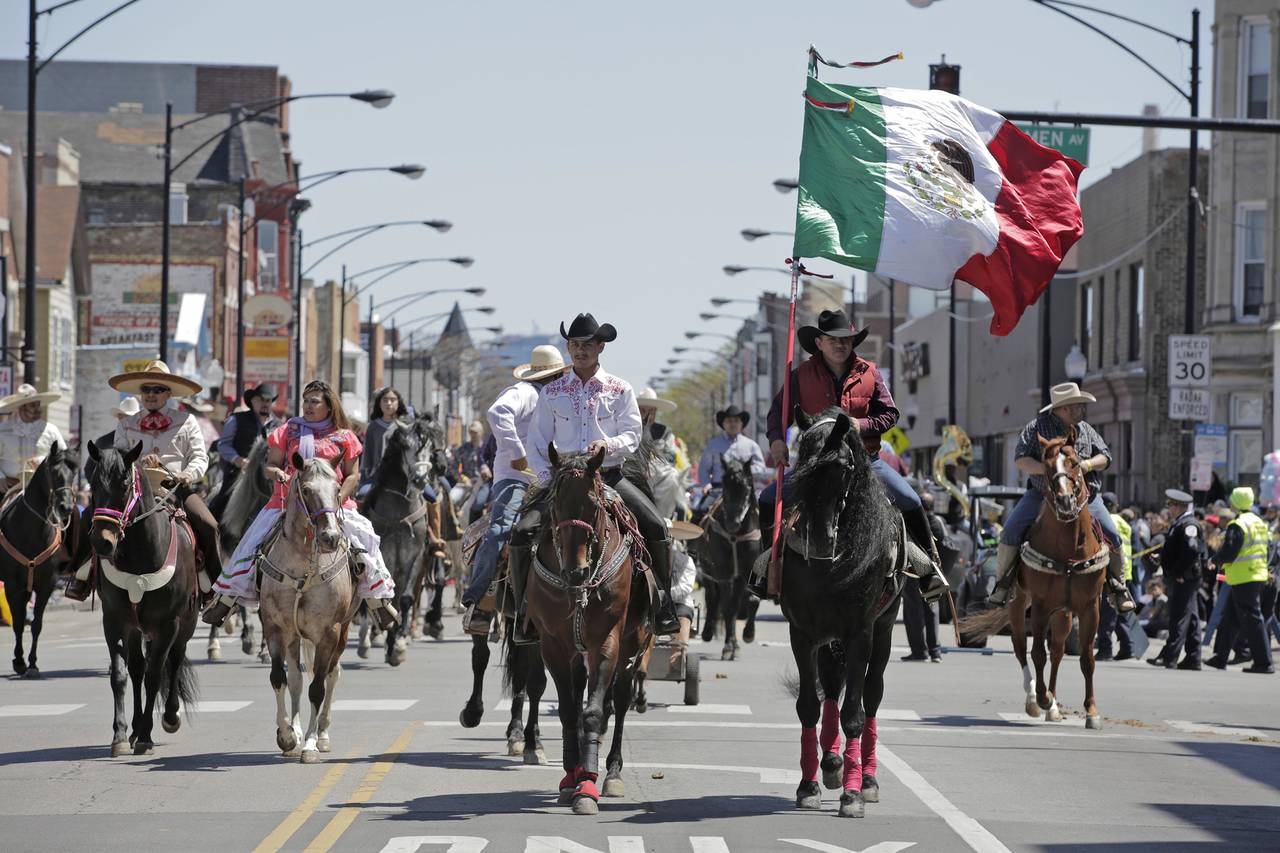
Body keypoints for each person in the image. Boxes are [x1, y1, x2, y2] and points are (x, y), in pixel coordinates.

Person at [509, 313, 680, 642]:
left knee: (657, 526)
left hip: (608, 476)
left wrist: (608, 443)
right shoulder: (552, 391)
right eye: (573, 345)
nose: (579, 351)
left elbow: (633, 434)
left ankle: (664, 606)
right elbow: (536, 442)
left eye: (586, 345)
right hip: (561, 482)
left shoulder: (619, 389)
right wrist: (548, 479)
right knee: (521, 531)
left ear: (601, 347)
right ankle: (522, 612)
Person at [755, 309, 947, 601]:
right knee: (767, 499)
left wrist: (862, 424)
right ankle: (767, 565)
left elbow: (890, 414)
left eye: (847, 339)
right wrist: (776, 440)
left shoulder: (869, 372)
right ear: (819, 342)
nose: (841, 345)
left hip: (865, 463)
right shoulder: (800, 375)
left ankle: (930, 569)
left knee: (912, 500)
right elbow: (776, 414)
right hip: (816, 465)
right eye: (833, 339)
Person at [202, 379, 399, 630]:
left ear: (328, 405)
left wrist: (337, 499)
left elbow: (353, 476)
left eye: (314, 401)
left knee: (366, 541)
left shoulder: (345, 436)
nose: (307, 405)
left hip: (333, 505)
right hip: (286, 502)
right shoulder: (289, 429)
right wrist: (278, 474)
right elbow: (270, 465)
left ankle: (377, 601)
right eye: (305, 400)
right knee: (250, 544)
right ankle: (227, 598)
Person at [66, 361, 220, 601]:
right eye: (146, 390)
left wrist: (188, 473)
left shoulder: (187, 421)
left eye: (158, 390)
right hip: (133, 492)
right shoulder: (127, 423)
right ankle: (80, 575)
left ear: (168, 394)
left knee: (209, 524)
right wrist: (135, 466)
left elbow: (200, 457)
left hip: (174, 489)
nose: (151, 395)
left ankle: (216, 587)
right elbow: (117, 459)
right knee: (91, 516)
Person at [989, 382, 1135, 613]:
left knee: (1113, 535)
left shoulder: (1086, 429)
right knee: (1010, 531)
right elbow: (1020, 460)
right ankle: (1003, 585)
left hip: (1086, 498)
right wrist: (1047, 470)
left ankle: (1118, 587)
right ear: (1064, 408)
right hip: (1042, 495)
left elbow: (1105, 456)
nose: (1082, 410)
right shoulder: (1035, 428)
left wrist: (1087, 464)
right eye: (1078, 406)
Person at [460, 344, 570, 634]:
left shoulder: (557, 399)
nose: (559, 379)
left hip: (550, 477)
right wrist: (516, 452)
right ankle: (477, 596)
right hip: (516, 476)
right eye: (556, 374)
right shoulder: (523, 392)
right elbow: (497, 414)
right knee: (501, 528)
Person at [1206, 487, 1275, 674]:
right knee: (1231, 617)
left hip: (1244, 577)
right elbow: (1269, 549)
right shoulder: (1259, 522)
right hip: (1255, 575)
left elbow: (1230, 551)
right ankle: (1221, 657)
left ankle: (1264, 662)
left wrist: (1214, 559)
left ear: (1235, 503)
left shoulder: (1238, 524)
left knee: (1253, 619)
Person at [1147, 489, 1205, 669]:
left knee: (1178, 617)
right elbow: (1178, 549)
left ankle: (1169, 656)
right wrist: (1162, 559)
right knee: (1192, 618)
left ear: (1179, 506)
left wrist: (1179, 572)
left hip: (1184, 578)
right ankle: (1193, 657)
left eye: (1171, 505)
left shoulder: (1189, 524)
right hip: (1183, 577)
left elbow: (1191, 550)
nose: (1169, 508)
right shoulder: (1180, 522)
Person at [209, 383, 280, 518]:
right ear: (252, 401)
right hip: (238, 475)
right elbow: (223, 445)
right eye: (261, 399)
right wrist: (238, 460)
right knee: (219, 506)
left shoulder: (279, 426)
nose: (265, 403)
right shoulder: (236, 419)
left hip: (269, 479)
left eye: (268, 400)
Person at [696, 405, 766, 515]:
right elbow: (703, 469)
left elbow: (761, 468)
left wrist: (743, 471)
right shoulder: (713, 445)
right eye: (729, 421)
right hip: (719, 490)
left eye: (736, 421)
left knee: (763, 514)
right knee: (700, 511)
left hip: (744, 489)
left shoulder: (751, 445)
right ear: (723, 424)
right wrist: (706, 484)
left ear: (742, 424)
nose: (733, 424)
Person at [902, 490, 944, 662]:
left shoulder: (915, 522)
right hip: (935, 572)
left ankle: (920, 651)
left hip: (915, 571)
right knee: (932, 610)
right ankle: (935, 652)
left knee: (913, 612)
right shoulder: (939, 523)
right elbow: (948, 548)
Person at [0, 383, 66, 490]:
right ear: (21, 408)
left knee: (67, 505)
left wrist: (44, 461)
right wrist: (0, 477)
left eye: (38, 404)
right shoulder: (2, 431)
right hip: (7, 486)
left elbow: (64, 457)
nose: (38, 409)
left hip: (43, 488)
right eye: (32, 405)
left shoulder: (51, 430)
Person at [1097, 492, 1138, 661]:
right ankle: (1127, 647)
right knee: (1120, 612)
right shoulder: (1125, 524)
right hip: (1124, 572)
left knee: (1106, 614)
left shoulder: (1107, 521)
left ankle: (1105, 650)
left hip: (1110, 572)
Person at [85, 396, 141, 483]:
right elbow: (89, 469)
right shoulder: (104, 442)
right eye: (127, 417)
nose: (130, 421)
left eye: (134, 417)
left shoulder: (146, 439)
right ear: (119, 417)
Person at [636, 387, 680, 464]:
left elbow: (671, 455)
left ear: (655, 411)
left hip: (659, 472)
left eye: (651, 411)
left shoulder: (665, 431)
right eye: (643, 411)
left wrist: (656, 460)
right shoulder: (629, 430)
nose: (647, 414)